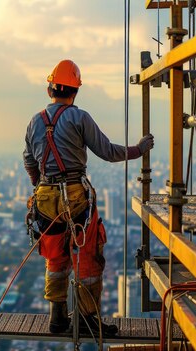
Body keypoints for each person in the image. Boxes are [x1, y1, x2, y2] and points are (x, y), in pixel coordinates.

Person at [23, 59, 154, 335]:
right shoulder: (79, 118)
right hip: (75, 196)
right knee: (87, 256)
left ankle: (57, 317)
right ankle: (87, 320)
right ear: (75, 91)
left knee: (56, 258)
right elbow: (107, 151)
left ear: (50, 90)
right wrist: (139, 150)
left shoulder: (34, 121)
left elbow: (29, 162)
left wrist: (42, 186)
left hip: (45, 197)